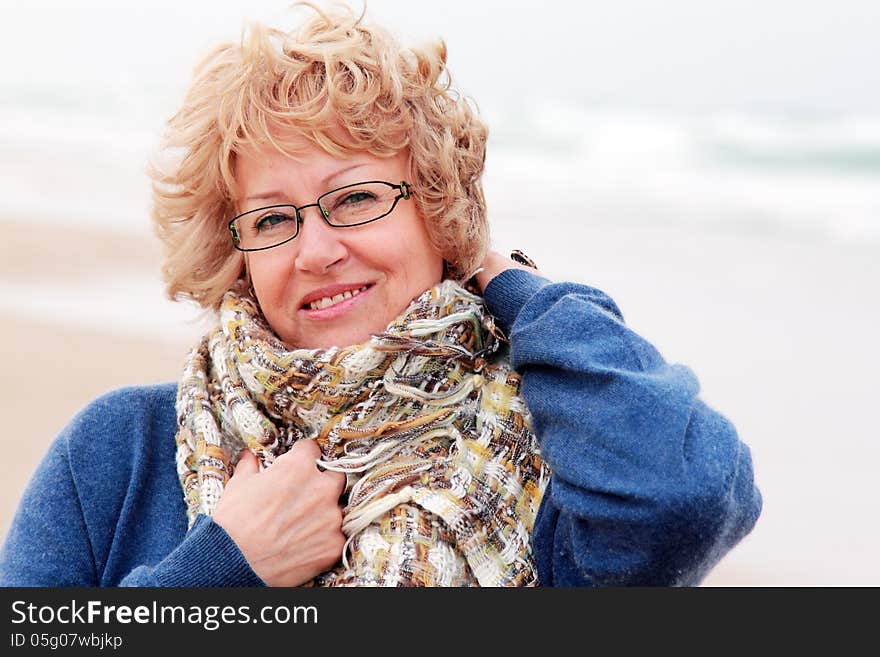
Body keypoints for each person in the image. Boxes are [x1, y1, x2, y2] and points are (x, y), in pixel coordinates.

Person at [0, 2, 761, 587]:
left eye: (358, 198)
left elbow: (687, 496)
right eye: (271, 218)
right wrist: (225, 568)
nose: (317, 250)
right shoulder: (116, 452)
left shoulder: (555, 469)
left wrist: (507, 283)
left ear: (437, 210)